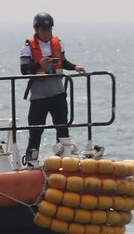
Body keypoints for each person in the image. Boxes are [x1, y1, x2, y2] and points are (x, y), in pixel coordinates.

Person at [19, 12, 86, 163]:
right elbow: (24, 70)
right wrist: (39, 65)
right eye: (44, 29)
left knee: (62, 128)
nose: (47, 32)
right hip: (39, 97)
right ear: (37, 30)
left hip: (58, 94)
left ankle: (63, 159)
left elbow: (63, 62)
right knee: (35, 131)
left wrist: (75, 67)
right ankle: (31, 163)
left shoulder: (57, 43)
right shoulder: (28, 47)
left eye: (49, 29)